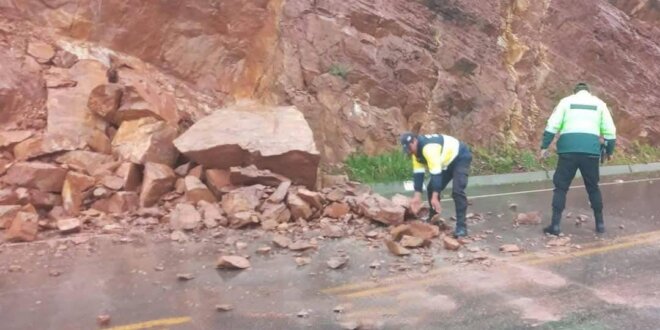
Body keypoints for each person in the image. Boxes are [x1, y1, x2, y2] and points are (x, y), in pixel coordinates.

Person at [540, 82, 616, 235]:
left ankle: (555, 226)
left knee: (561, 187)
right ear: (588, 92)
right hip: (591, 152)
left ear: (575, 92)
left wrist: (544, 146)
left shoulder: (566, 102)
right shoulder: (599, 104)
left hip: (568, 150)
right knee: (593, 187)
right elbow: (610, 131)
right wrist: (609, 151)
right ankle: (600, 225)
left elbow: (552, 125)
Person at [400, 132, 473, 237]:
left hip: (460, 156)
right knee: (431, 188)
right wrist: (417, 196)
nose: (410, 152)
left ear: (415, 141)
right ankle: (434, 220)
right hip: (446, 162)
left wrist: (435, 197)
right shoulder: (415, 153)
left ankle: (461, 227)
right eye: (408, 150)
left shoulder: (429, 149)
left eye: (410, 148)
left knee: (457, 191)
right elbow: (418, 175)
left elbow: (436, 175)